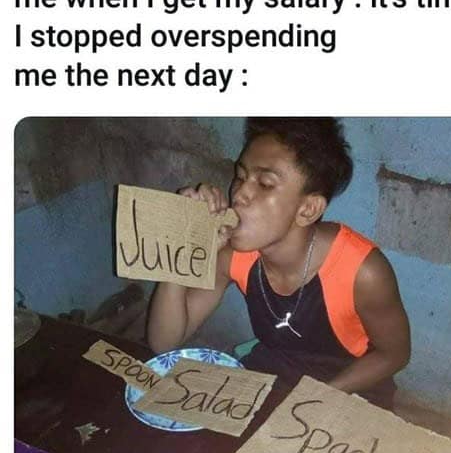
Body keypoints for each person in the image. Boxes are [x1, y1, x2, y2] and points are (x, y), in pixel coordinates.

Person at [147, 117, 411, 411]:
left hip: (352, 386)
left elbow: (395, 355)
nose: (240, 194)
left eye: (265, 184)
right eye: (240, 176)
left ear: (308, 209)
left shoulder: (362, 271)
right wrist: (183, 246)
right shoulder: (234, 255)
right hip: (276, 373)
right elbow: (163, 342)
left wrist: (314, 397)